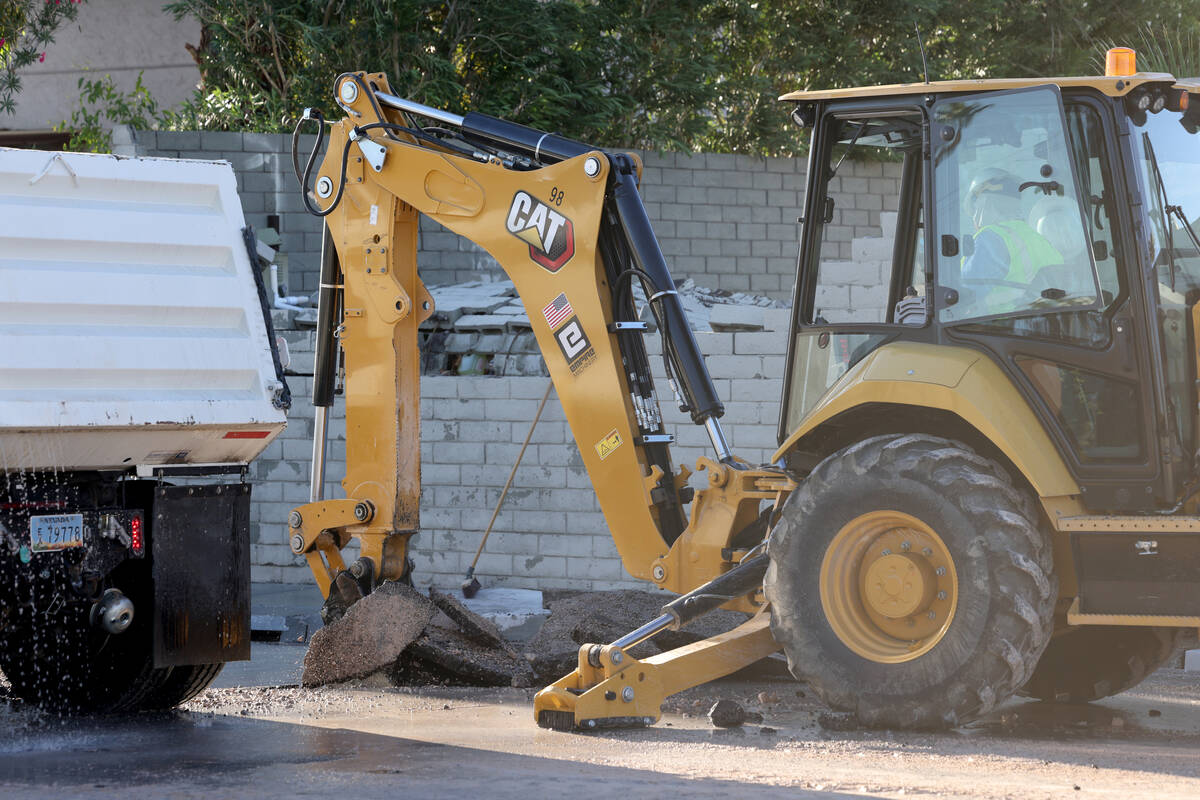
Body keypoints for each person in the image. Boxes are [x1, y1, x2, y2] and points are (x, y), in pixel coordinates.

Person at [961, 167, 1063, 312]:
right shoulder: (1038, 239)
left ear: (982, 204)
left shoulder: (989, 238)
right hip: (1043, 324)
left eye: (974, 210)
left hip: (1001, 325)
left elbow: (965, 297)